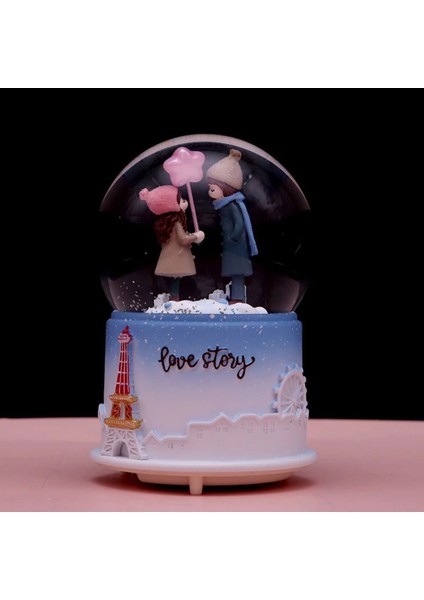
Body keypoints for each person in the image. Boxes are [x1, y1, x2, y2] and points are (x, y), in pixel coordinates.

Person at [207, 149, 258, 303]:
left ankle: (238, 298)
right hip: (232, 246)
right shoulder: (225, 205)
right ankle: (236, 297)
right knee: (235, 272)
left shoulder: (231, 206)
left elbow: (239, 223)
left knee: (237, 272)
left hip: (236, 247)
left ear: (225, 188)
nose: (209, 192)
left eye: (212, 189)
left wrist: (233, 237)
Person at [139, 185, 205, 301]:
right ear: (172, 205)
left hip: (170, 257)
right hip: (177, 257)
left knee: (175, 278)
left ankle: (174, 297)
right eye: (181, 200)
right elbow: (183, 239)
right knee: (176, 278)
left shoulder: (167, 223)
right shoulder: (176, 223)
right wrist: (197, 236)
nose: (185, 202)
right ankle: (174, 298)